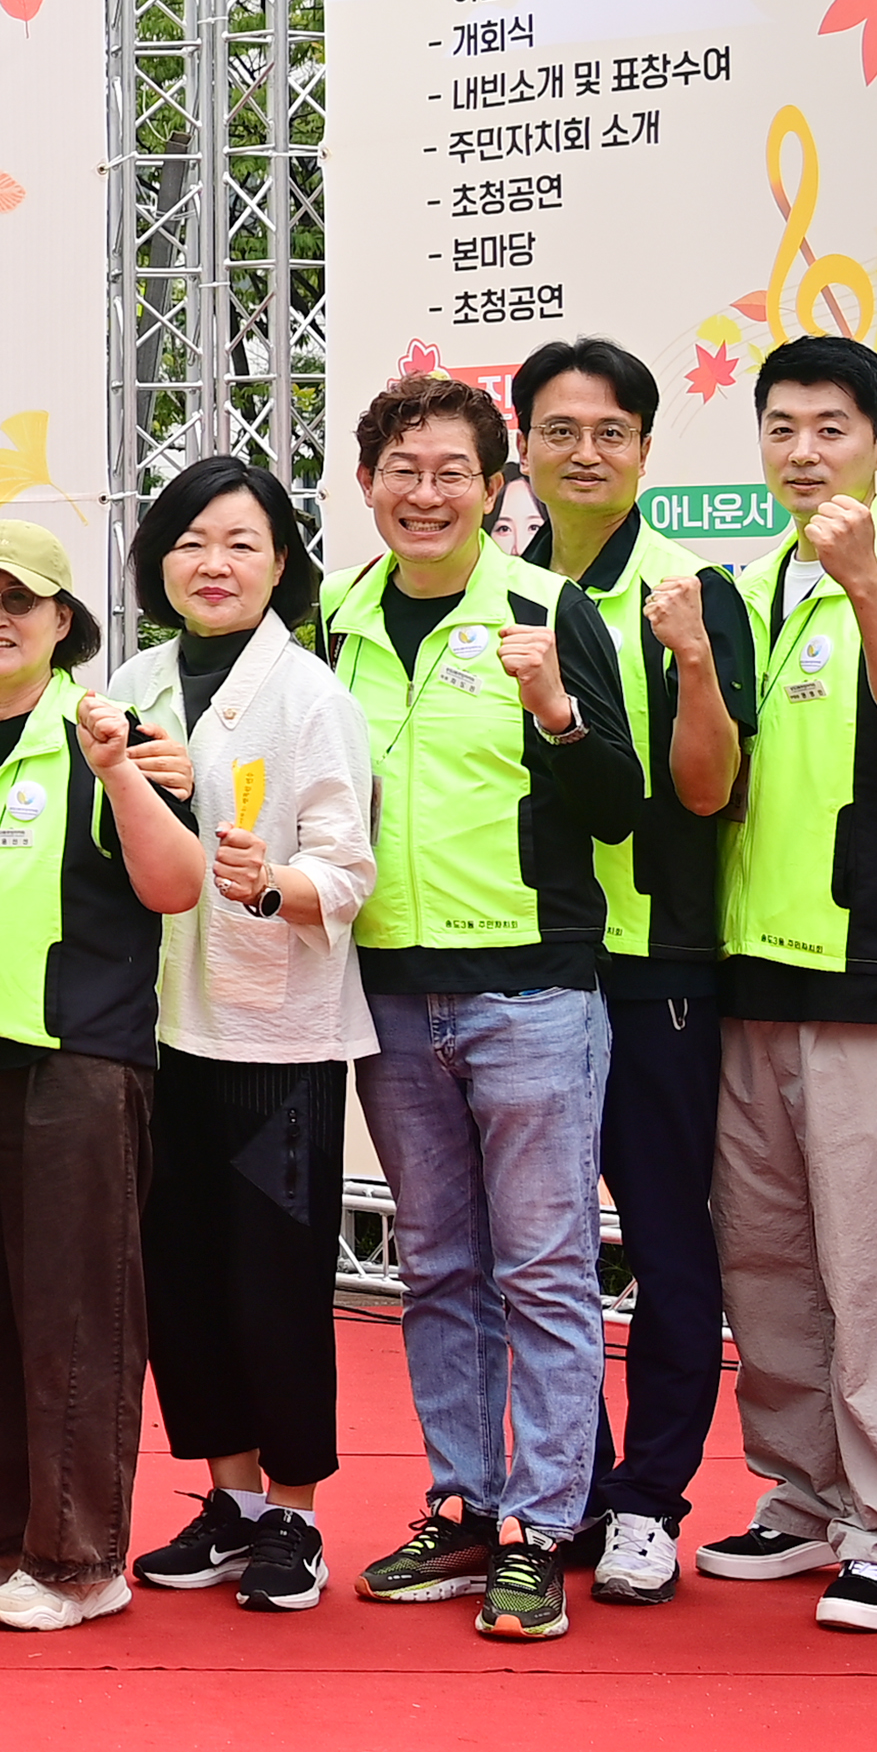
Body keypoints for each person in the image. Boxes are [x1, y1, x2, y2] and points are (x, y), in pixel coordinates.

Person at [318, 372, 641, 1645]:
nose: (427, 493)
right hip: (391, 995)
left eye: (453, 470)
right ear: (367, 485)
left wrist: (555, 708)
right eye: (403, 470)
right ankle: (465, 1501)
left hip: (532, 992)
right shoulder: (333, 623)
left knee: (547, 1269)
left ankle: (546, 1525)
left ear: (496, 487)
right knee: (439, 1264)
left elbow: (619, 805)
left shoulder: (550, 611)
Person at [705, 336, 877, 1633]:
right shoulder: (747, 584)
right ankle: (803, 1494)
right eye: (783, 428)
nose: (804, 451)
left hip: (876, 975)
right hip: (749, 975)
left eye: (831, 428)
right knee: (767, 1261)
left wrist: (867, 583)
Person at [0, 518, 204, 1630]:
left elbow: (176, 886)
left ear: (62, 621)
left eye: (18, 602)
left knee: (76, 1316)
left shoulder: (110, 737)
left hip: (74, 1058)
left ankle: (82, 1561)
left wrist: (120, 772)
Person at [509, 338, 753, 1610]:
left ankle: (651, 1497)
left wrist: (694, 658)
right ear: (524, 448)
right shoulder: (493, 591)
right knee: (536, 1251)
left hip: (654, 963)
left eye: (610, 431)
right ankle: (570, 1487)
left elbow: (711, 791)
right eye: (559, 430)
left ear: (648, 449)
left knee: (663, 1235)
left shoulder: (692, 590)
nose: (585, 452)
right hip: (519, 961)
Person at [113, 458, 374, 1617]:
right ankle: (230, 1503)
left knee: (276, 1283)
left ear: (281, 565)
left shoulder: (311, 695)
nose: (212, 565)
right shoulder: (132, 685)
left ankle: (296, 1514)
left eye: (241, 543)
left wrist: (270, 880)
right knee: (183, 1281)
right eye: (190, 542)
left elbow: (347, 870)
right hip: (155, 1032)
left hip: (277, 1043)